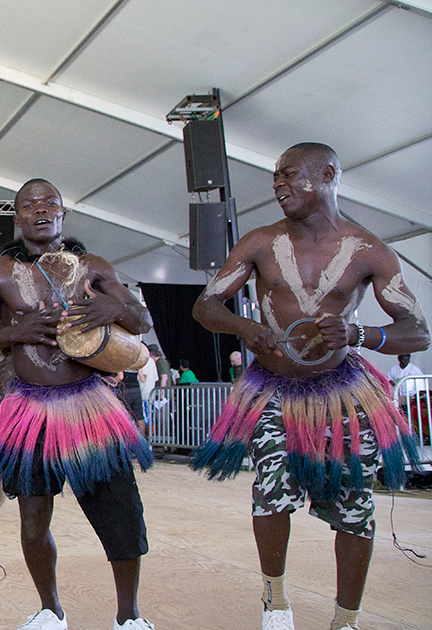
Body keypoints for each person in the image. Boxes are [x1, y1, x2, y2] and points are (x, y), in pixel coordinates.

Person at [190, 143, 427, 630]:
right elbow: (205, 305)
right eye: (275, 177)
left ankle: (347, 619)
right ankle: (275, 601)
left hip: (340, 392)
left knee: (355, 505)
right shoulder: (259, 242)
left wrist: (363, 334)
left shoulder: (369, 250)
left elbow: (418, 330)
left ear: (328, 175)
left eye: (290, 175)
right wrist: (244, 328)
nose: (278, 184)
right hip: (274, 387)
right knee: (271, 490)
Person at [0, 178, 155, 630]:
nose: (41, 209)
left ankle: (129, 617)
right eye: (30, 204)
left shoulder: (94, 266)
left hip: (91, 408)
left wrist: (113, 310)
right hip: (29, 412)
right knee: (32, 519)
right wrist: (17, 332)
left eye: (51, 202)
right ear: (18, 217)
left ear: (64, 214)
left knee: (119, 515)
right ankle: (51, 611)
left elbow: (142, 319)